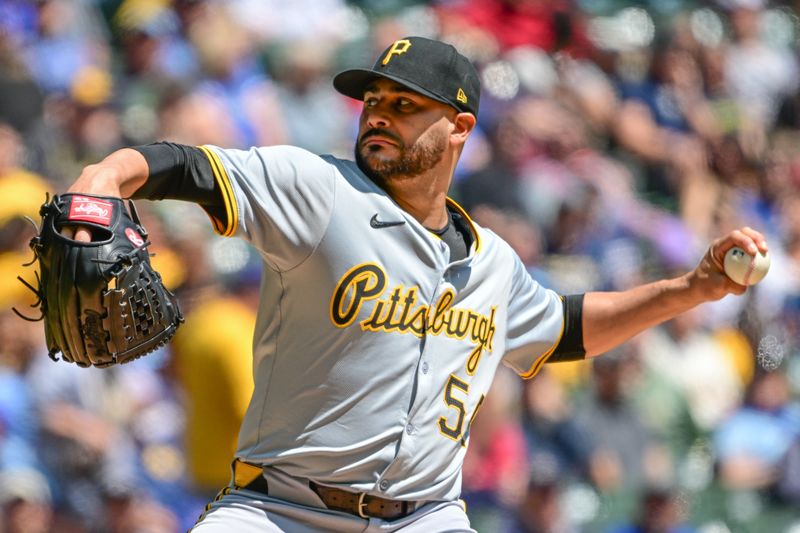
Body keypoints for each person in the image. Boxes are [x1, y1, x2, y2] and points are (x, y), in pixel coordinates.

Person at [63, 36, 768, 532]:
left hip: (427, 516)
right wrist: (102, 181)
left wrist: (689, 288)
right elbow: (184, 165)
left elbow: (566, 328)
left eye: (405, 106)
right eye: (374, 100)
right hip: (279, 508)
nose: (378, 114)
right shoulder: (317, 188)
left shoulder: (493, 261)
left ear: (460, 127)